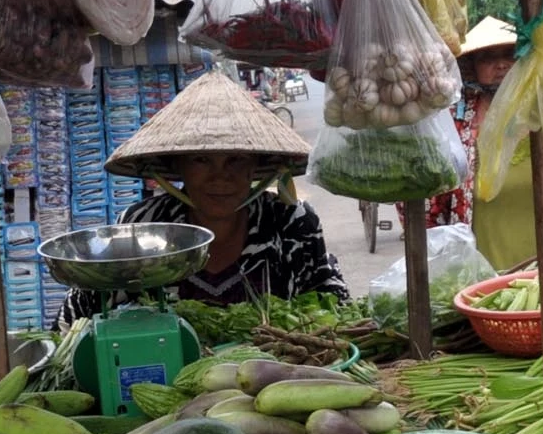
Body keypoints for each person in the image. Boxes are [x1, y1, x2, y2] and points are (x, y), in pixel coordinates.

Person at [57, 72, 347, 323]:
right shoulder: (143, 224)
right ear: (177, 165)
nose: (220, 176)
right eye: (201, 160)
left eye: (235, 159)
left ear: (256, 166)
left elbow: (333, 307)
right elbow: (78, 316)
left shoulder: (290, 222)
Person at [415, 16, 518, 234]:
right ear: (473, 67)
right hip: (478, 256)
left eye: (509, 55)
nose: (501, 65)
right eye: (488, 58)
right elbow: (431, 202)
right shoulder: (455, 123)